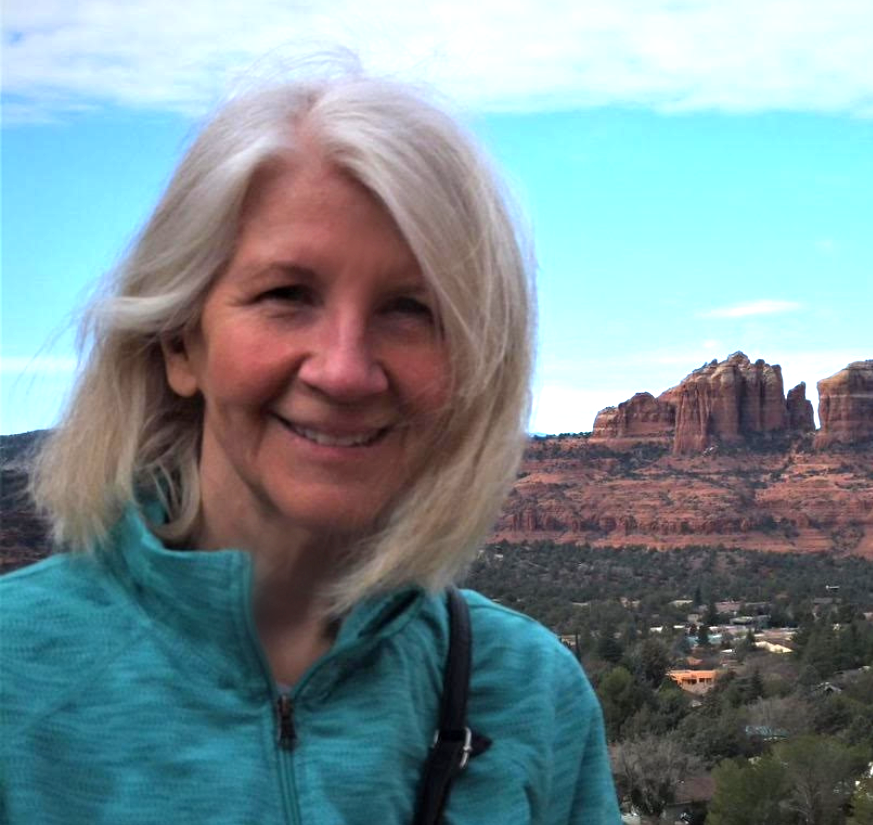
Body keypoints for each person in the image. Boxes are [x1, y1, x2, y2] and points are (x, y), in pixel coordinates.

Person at [0, 70, 620, 824]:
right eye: (286, 295)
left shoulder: (529, 691)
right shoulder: (17, 676)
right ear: (179, 343)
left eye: (409, 308)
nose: (345, 370)